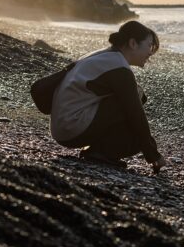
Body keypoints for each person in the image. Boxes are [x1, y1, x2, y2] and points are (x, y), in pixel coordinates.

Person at [50, 20, 167, 173]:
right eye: (149, 45)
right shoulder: (118, 66)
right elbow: (135, 114)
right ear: (133, 43)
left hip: (63, 126)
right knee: (135, 117)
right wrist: (153, 155)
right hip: (70, 126)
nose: (150, 52)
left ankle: (98, 151)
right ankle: (101, 152)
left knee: (136, 96)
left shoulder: (106, 56)